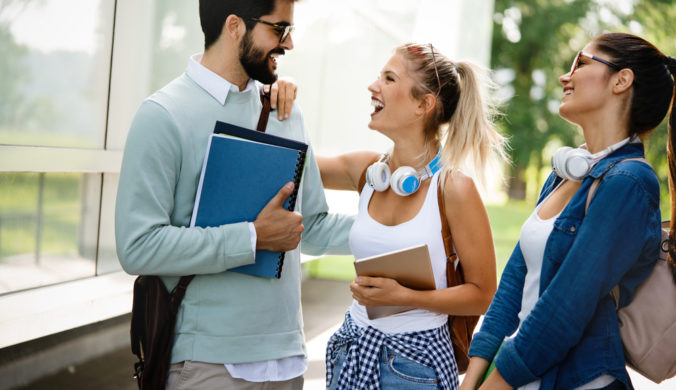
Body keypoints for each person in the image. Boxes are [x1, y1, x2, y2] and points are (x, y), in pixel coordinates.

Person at [114, 0, 354, 389]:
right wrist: (253, 237)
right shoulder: (162, 115)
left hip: (287, 361)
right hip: (207, 365)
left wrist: (397, 232)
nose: (289, 44)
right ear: (234, 26)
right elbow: (138, 246)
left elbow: (309, 227)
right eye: (279, 30)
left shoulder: (285, 111)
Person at [461, 32, 676, 390]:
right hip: (517, 380)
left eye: (581, 62)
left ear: (622, 80)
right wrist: (471, 379)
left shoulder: (630, 182)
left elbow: (565, 308)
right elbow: (512, 286)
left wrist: (492, 386)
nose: (565, 76)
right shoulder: (566, 172)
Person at [317, 43, 508, 389]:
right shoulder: (366, 171)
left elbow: (483, 294)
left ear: (423, 104)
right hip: (352, 352)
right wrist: (272, 98)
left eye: (389, 78)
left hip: (415, 366)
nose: (373, 86)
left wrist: (405, 297)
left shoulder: (453, 188)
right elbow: (292, 165)